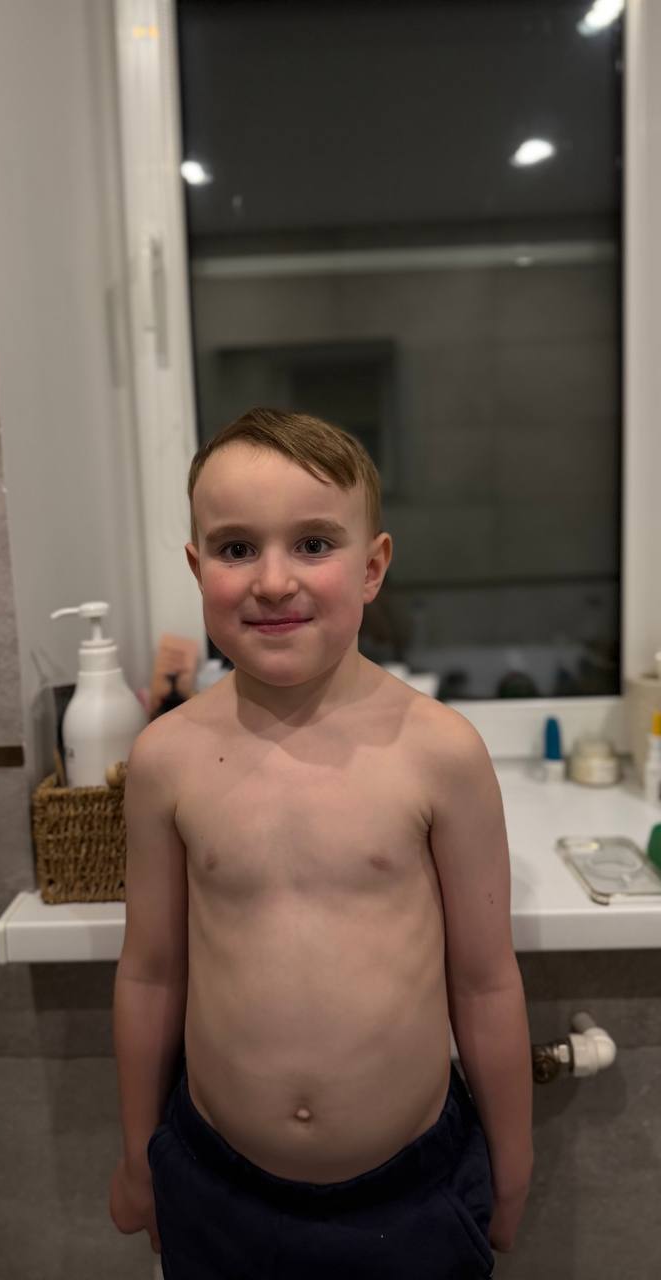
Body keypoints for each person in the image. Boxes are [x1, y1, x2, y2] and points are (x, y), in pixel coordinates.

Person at [109, 407, 533, 1278]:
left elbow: (486, 981)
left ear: (372, 567)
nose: (273, 581)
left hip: (414, 1192)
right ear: (197, 567)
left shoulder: (439, 752)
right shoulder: (165, 758)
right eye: (236, 548)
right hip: (216, 1187)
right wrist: (138, 1153)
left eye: (312, 544)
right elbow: (151, 974)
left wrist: (514, 1167)